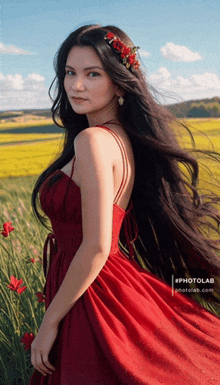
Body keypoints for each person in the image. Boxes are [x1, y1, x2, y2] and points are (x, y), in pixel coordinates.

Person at [29, 24, 220, 384]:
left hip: (94, 294)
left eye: (92, 74)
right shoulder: (120, 138)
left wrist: (49, 322)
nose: (76, 85)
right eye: (70, 73)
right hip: (96, 285)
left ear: (118, 82)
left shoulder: (93, 141)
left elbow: (99, 245)